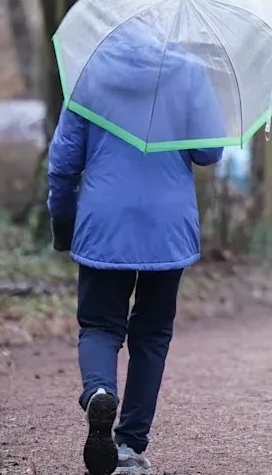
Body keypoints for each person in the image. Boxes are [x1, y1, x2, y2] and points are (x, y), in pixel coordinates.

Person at [48, 27, 224, 475]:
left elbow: (64, 163)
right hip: (167, 225)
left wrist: (63, 224)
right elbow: (209, 151)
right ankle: (128, 445)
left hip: (104, 222)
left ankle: (101, 392)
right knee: (151, 336)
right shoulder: (187, 70)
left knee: (99, 325)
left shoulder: (91, 72)